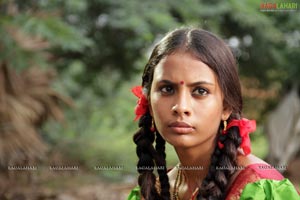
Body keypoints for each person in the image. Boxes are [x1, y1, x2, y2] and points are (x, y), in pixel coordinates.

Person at [127, 27, 300, 200]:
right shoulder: (150, 192)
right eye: (167, 89)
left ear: (226, 107)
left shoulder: (261, 190)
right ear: (148, 102)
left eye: (200, 91)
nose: (181, 107)